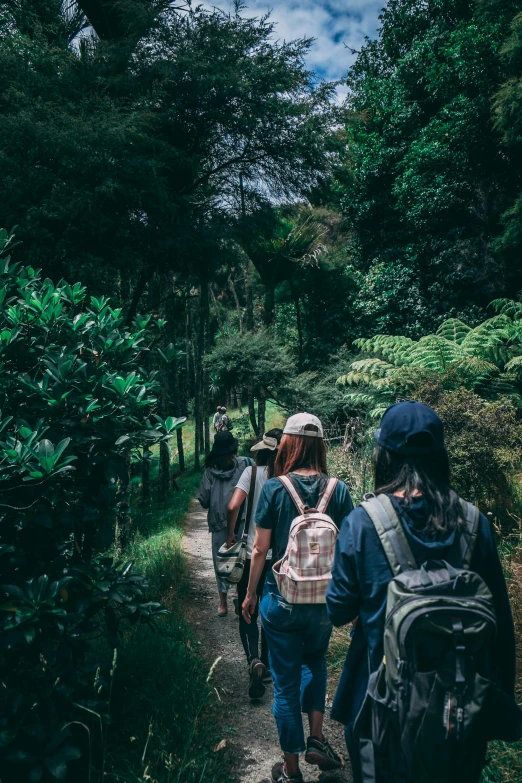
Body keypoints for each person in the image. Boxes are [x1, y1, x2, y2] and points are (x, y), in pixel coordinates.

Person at [326, 401, 517, 783]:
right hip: (459, 710)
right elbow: (501, 627)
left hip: (380, 710)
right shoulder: (473, 523)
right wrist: (498, 706)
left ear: (384, 456)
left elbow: (338, 609)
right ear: (440, 457)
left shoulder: (363, 523)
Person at [242, 413, 353, 783]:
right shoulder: (338, 489)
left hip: (282, 597)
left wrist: (250, 593)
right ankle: (317, 739)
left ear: (286, 444)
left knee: (285, 684)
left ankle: (291, 771)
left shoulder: (275, 488)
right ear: (320, 445)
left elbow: (259, 550)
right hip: (324, 601)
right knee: (316, 662)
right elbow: (349, 548)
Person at [226, 428, 283, 700]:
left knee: (246, 609)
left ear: (261, 451)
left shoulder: (250, 473)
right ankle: (269, 666)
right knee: (269, 611)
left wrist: (230, 533)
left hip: (251, 555)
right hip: (279, 560)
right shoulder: (286, 479)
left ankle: (253, 659)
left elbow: (232, 506)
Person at [197, 431, 252, 617]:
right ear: (234, 449)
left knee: (220, 561)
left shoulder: (209, 472)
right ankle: (239, 594)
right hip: (243, 521)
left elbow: (203, 500)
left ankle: (223, 604)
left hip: (219, 522)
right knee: (243, 559)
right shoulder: (245, 464)